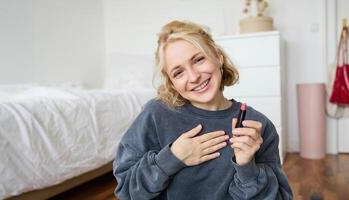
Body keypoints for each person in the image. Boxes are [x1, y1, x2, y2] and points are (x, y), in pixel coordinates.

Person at [113, 20, 293, 200]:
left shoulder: (258, 126)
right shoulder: (155, 114)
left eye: (198, 60)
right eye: (178, 72)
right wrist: (172, 158)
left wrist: (247, 167)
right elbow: (127, 191)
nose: (194, 77)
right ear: (172, 83)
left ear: (217, 56)